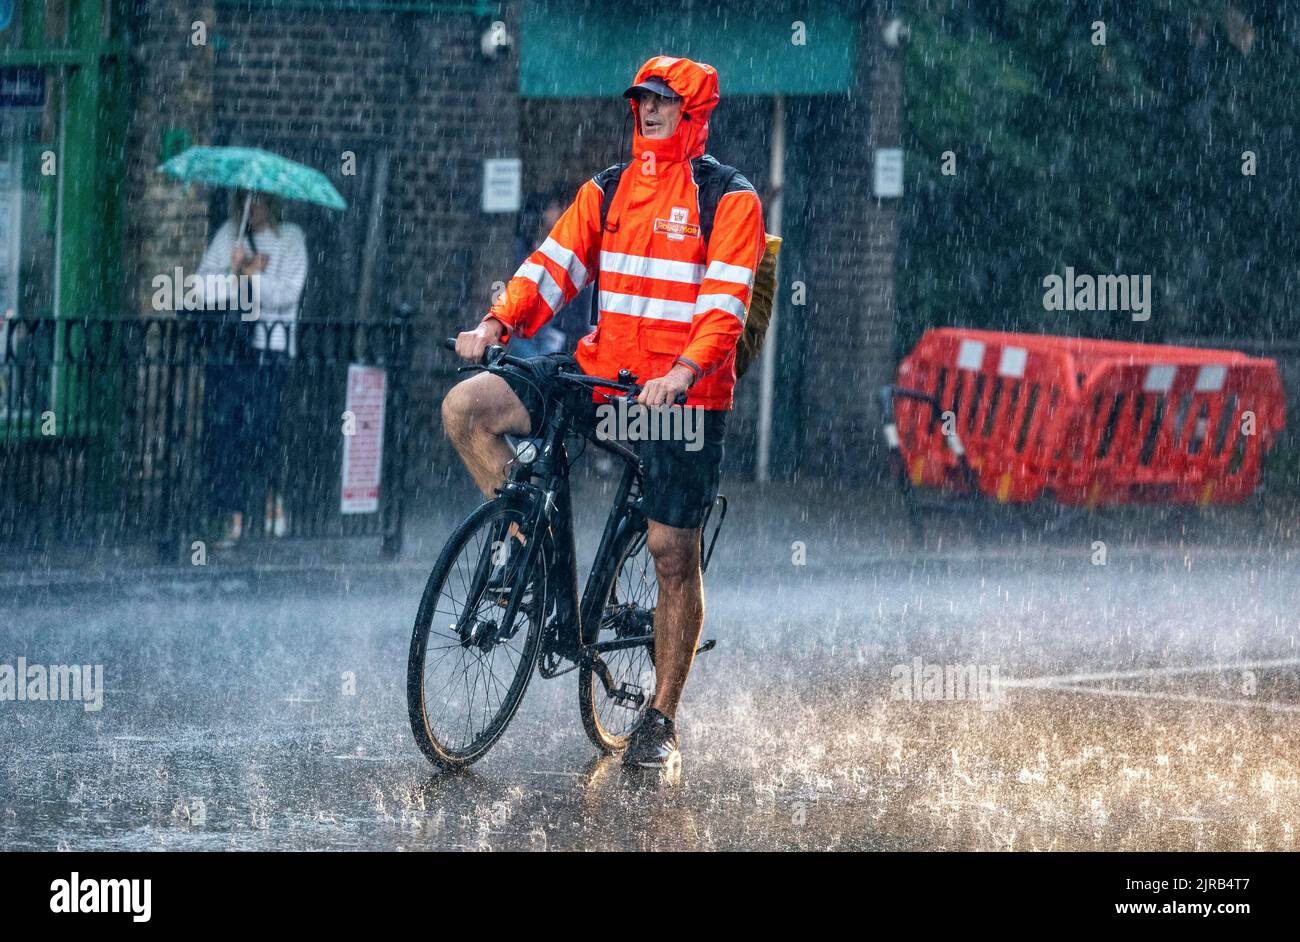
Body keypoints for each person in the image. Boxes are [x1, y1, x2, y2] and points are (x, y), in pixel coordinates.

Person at [442, 56, 765, 770]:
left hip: (676, 406)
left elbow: (725, 306)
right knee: (467, 408)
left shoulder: (728, 198)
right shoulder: (609, 190)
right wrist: (498, 324)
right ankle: (526, 535)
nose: (647, 111)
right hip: (603, 385)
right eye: (640, 100)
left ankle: (661, 720)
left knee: (669, 553)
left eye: (662, 101)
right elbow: (551, 266)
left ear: (692, 111)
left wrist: (681, 372)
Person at [196, 189, 308, 544]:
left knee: (264, 431)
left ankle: (271, 498)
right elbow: (201, 290)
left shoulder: (290, 238)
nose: (250, 206)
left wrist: (251, 279)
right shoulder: (229, 235)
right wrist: (237, 271)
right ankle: (234, 514)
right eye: (243, 199)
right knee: (227, 432)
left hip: (270, 349)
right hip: (232, 348)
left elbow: (286, 295)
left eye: (257, 199)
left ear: (272, 202)